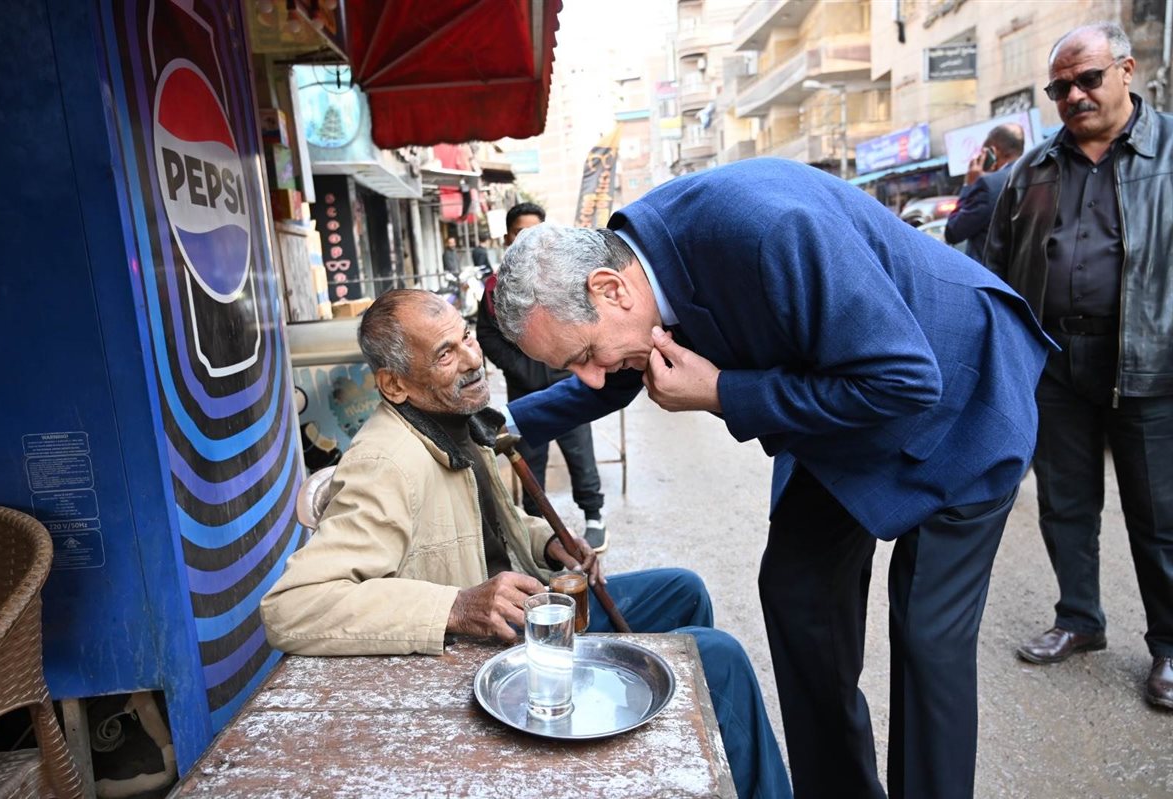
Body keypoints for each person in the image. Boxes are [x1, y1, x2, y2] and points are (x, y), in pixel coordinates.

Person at [492, 158, 1052, 799]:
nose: (591, 375)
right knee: (798, 593)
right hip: (843, 405)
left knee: (928, 640)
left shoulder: (771, 231)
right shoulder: (637, 268)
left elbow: (904, 379)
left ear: (610, 289)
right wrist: (497, 424)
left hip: (960, 395)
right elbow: (617, 375)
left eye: (584, 355)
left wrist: (723, 392)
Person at [260, 289, 791, 799]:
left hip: (527, 614)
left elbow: (496, 523)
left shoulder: (455, 420)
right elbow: (293, 606)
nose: (473, 359)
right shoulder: (384, 464)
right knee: (718, 657)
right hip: (488, 654)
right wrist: (456, 606)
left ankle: (694, 760)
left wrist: (547, 544)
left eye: (467, 337)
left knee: (683, 590)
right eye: (446, 354)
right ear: (395, 385)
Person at [983, 22, 1173, 710]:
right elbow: (996, 270)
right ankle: (1079, 619)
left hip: (1149, 361)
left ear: (1126, 70)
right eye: (1059, 88)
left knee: (1159, 514)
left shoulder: (1169, 152)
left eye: (1087, 79)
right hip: (1056, 362)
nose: (1074, 96)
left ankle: (1170, 646)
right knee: (1065, 503)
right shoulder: (1031, 169)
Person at [478, 202, 609, 551]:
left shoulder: (566, 278)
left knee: (580, 453)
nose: (526, 238)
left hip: (569, 385)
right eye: (519, 232)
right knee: (530, 463)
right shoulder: (495, 288)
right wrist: (521, 367)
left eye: (534, 231)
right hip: (525, 392)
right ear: (508, 237)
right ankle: (538, 534)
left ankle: (594, 517)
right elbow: (487, 335)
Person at [944, 122, 1025, 263]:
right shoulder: (1034, 174)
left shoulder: (988, 185)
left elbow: (953, 231)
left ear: (993, 151)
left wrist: (969, 185)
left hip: (991, 271)